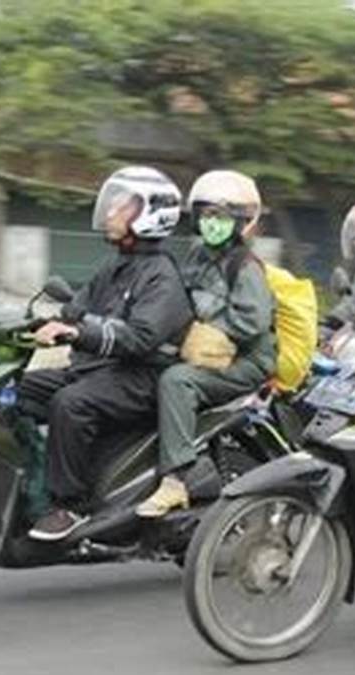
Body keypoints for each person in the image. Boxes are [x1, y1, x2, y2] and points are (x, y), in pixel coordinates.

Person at [18, 166, 193, 541]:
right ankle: (31, 482)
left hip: (143, 377)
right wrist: (34, 322)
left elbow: (140, 337)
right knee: (19, 390)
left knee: (70, 403)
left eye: (122, 207)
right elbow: (76, 309)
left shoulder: (161, 275)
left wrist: (78, 333)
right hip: (102, 370)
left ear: (150, 215)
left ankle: (71, 506)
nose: (110, 212)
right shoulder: (114, 265)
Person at [136, 170, 277, 517]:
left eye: (223, 216)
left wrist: (209, 331)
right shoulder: (197, 257)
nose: (213, 223)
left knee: (176, 381)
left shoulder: (245, 267)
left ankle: (175, 480)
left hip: (245, 362)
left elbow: (253, 320)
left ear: (242, 221)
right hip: (204, 353)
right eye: (207, 215)